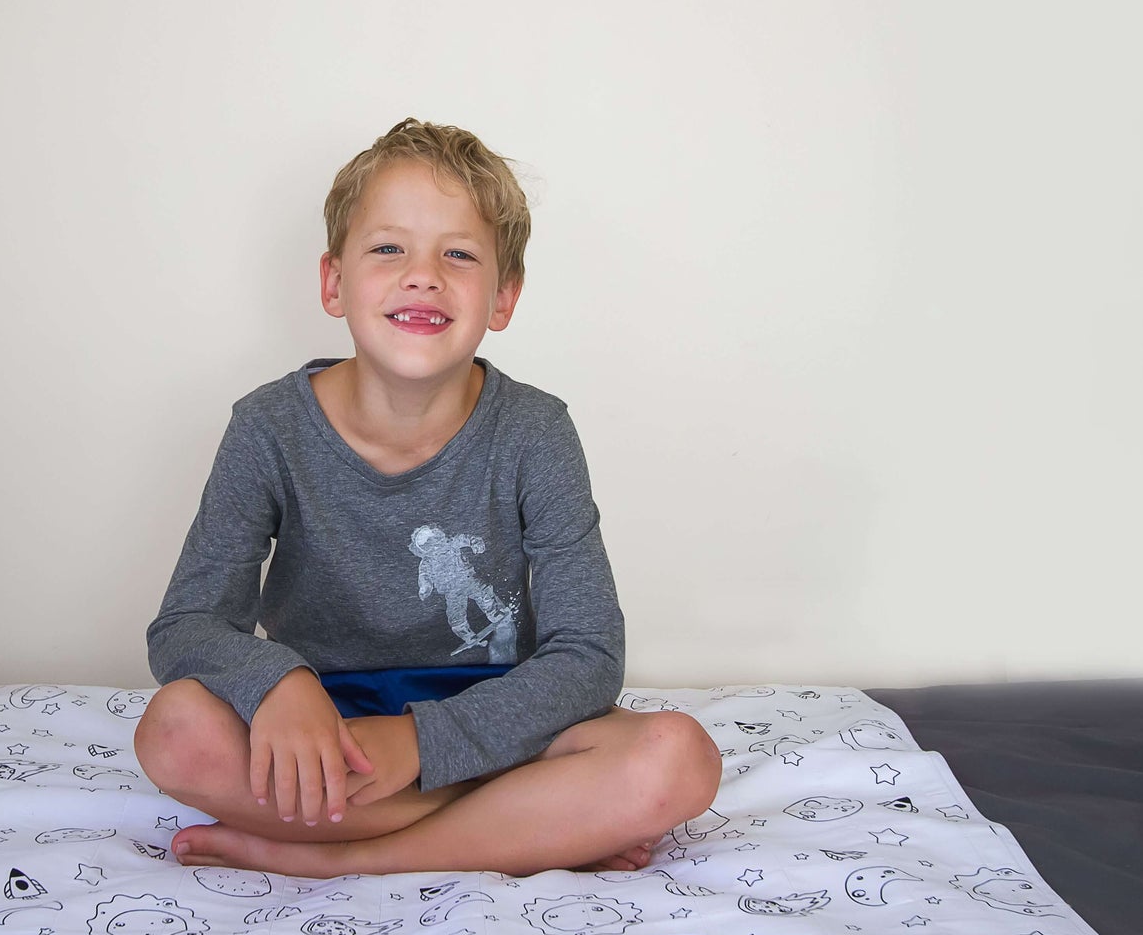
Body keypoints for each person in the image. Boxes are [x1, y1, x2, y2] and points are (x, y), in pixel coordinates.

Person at [134, 118, 721, 878]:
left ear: (502, 297)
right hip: (328, 734)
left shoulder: (536, 432)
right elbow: (185, 625)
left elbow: (589, 657)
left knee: (680, 758)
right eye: (388, 248)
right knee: (173, 730)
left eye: (460, 254)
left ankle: (346, 857)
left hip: (494, 725)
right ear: (333, 282)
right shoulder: (268, 428)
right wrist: (278, 682)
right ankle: (529, 825)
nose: (423, 274)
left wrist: (418, 744)